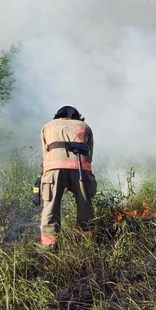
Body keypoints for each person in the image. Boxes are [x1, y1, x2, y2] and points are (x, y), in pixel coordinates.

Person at [39, 105, 96, 248]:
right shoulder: (84, 127)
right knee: (84, 202)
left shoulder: (48, 126)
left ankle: (49, 244)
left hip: (54, 168)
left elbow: (45, 154)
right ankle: (86, 240)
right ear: (77, 116)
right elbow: (89, 156)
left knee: (51, 204)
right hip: (79, 168)